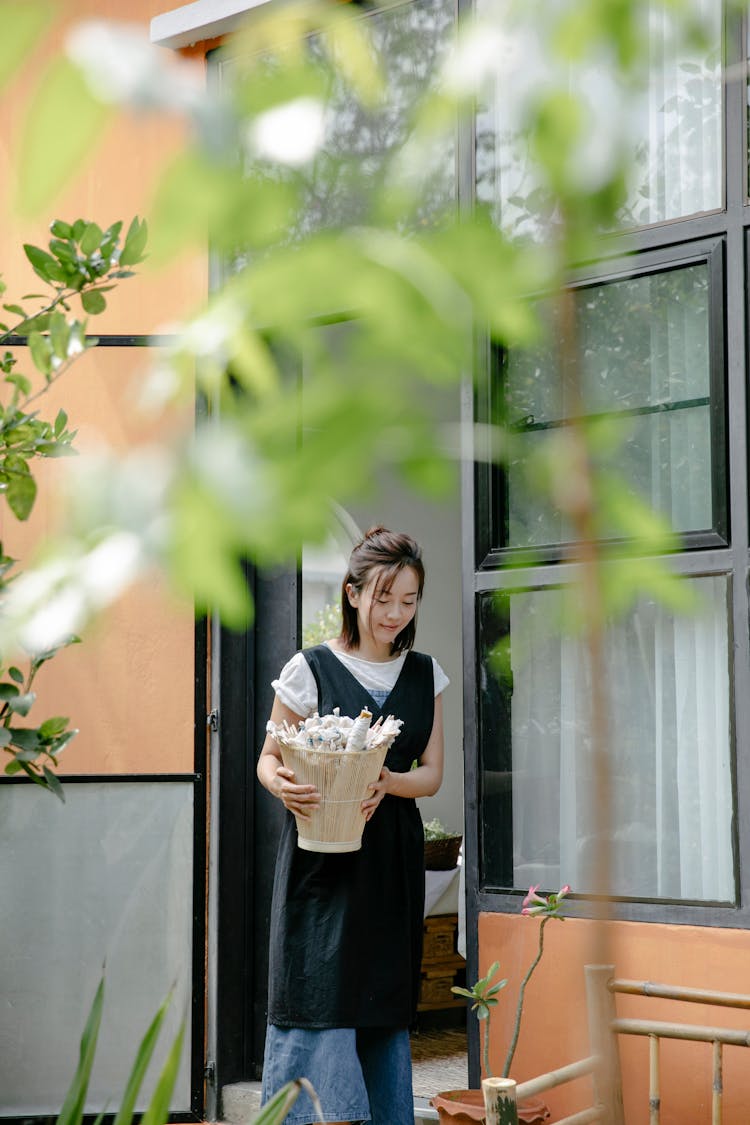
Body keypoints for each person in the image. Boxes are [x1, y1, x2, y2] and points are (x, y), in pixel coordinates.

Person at [257, 525, 449, 1125]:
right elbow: (269, 756)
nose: (395, 613)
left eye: (409, 600)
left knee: (380, 999)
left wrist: (386, 782)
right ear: (352, 593)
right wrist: (278, 782)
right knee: (318, 992)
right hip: (322, 860)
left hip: (390, 861)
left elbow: (432, 775)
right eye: (384, 598)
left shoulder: (425, 675)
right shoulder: (309, 667)